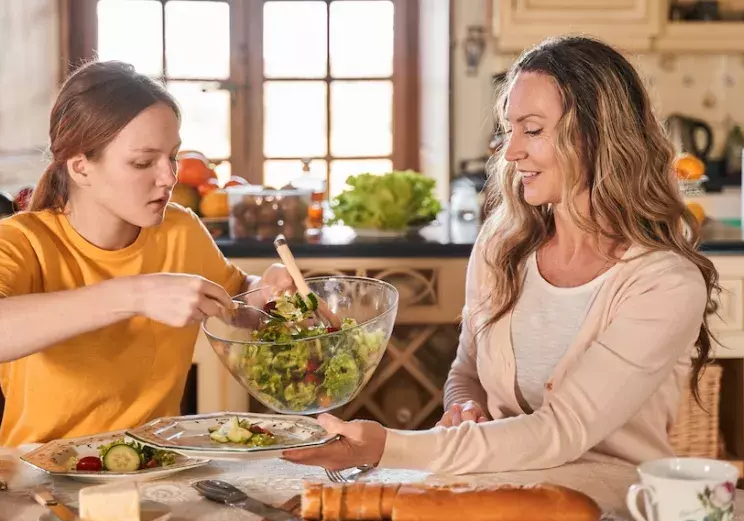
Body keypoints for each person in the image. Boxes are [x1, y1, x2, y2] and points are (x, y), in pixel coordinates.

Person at [283, 35, 721, 474]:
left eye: (532, 130)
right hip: (500, 497)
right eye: (509, 130)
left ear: (597, 138)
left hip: (617, 508)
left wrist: (388, 447)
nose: (511, 152)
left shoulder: (664, 283)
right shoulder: (503, 243)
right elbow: (466, 370)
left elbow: (560, 430)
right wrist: (466, 406)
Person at [0, 61, 293, 447]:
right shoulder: (22, 240)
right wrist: (136, 294)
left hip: (157, 469)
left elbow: (237, 302)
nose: (169, 177)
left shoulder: (180, 229)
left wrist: (269, 292)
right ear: (81, 167)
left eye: (172, 157)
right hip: (42, 480)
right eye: (143, 162)